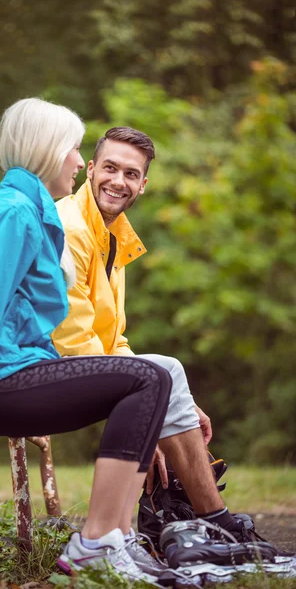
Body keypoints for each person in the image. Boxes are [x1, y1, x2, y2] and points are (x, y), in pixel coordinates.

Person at [0, 99, 181, 586]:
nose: (76, 160)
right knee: (147, 378)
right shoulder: (12, 213)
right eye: (71, 148)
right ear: (47, 151)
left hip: (14, 372)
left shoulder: (29, 210)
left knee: (151, 378)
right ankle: (97, 544)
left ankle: (115, 540)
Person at [51, 126, 261, 560]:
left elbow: (114, 339)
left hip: (76, 364)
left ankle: (208, 519)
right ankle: (215, 521)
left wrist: (162, 402)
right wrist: (146, 403)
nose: (118, 181)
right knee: (163, 370)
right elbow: (70, 337)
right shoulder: (72, 229)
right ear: (90, 170)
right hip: (45, 371)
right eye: (109, 168)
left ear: (142, 185)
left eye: (131, 174)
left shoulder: (112, 237)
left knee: (166, 372)